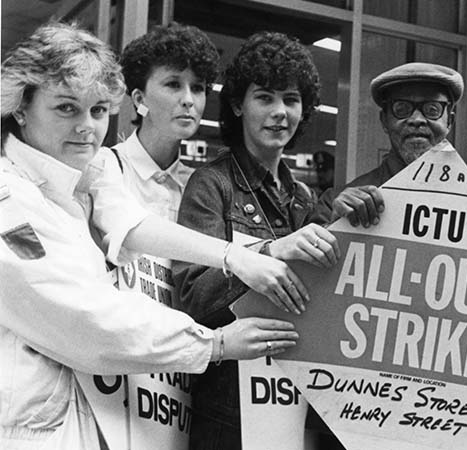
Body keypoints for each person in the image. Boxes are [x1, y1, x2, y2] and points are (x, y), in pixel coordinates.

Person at [0, 22, 297, 450]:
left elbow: (132, 223)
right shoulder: (10, 201)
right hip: (35, 430)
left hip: (106, 412)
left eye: (99, 111)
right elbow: (84, 319)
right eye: (67, 108)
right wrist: (213, 344)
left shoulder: (88, 168)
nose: (87, 127)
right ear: (20, 107)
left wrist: (234, 255)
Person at [173, 31, 339, 450]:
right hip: (229, 411)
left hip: (297, 402)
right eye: (264, 97)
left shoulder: (304, 197)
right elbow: (191, 295)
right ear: (237, 105)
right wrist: (265, 254)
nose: (280, 112)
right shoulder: (212, 184)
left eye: (291, 99)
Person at [315, 62, 464, 226]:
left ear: (450, 121)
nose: (416, 120)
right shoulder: (336, 205)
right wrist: (336, 228)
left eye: (432, 109)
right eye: (401, 108)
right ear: (384, 120)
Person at [111, 22, 219, 221]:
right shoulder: (106, 167)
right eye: (173, 84)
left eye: (197, 88)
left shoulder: (202, 186)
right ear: (139, 99)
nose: (188, 100)